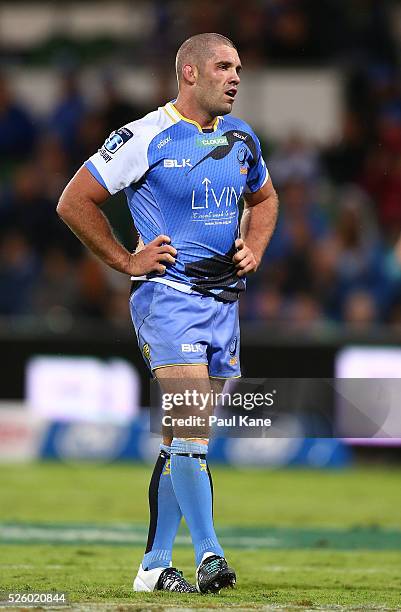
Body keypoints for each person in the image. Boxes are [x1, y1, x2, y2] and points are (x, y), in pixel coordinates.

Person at [57, 33, 278, 595]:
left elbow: (266, 200)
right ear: (189, 74)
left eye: (238, 68)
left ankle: (155, 566)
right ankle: (211, 555)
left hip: (223, 304)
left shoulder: (242, 136)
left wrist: (255, 245)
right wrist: (125, 259)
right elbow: (74, 200)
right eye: (223, 67)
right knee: (192, 431)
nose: (234, 77)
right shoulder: (143, 136)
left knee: (182, 438)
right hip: (168, 299)